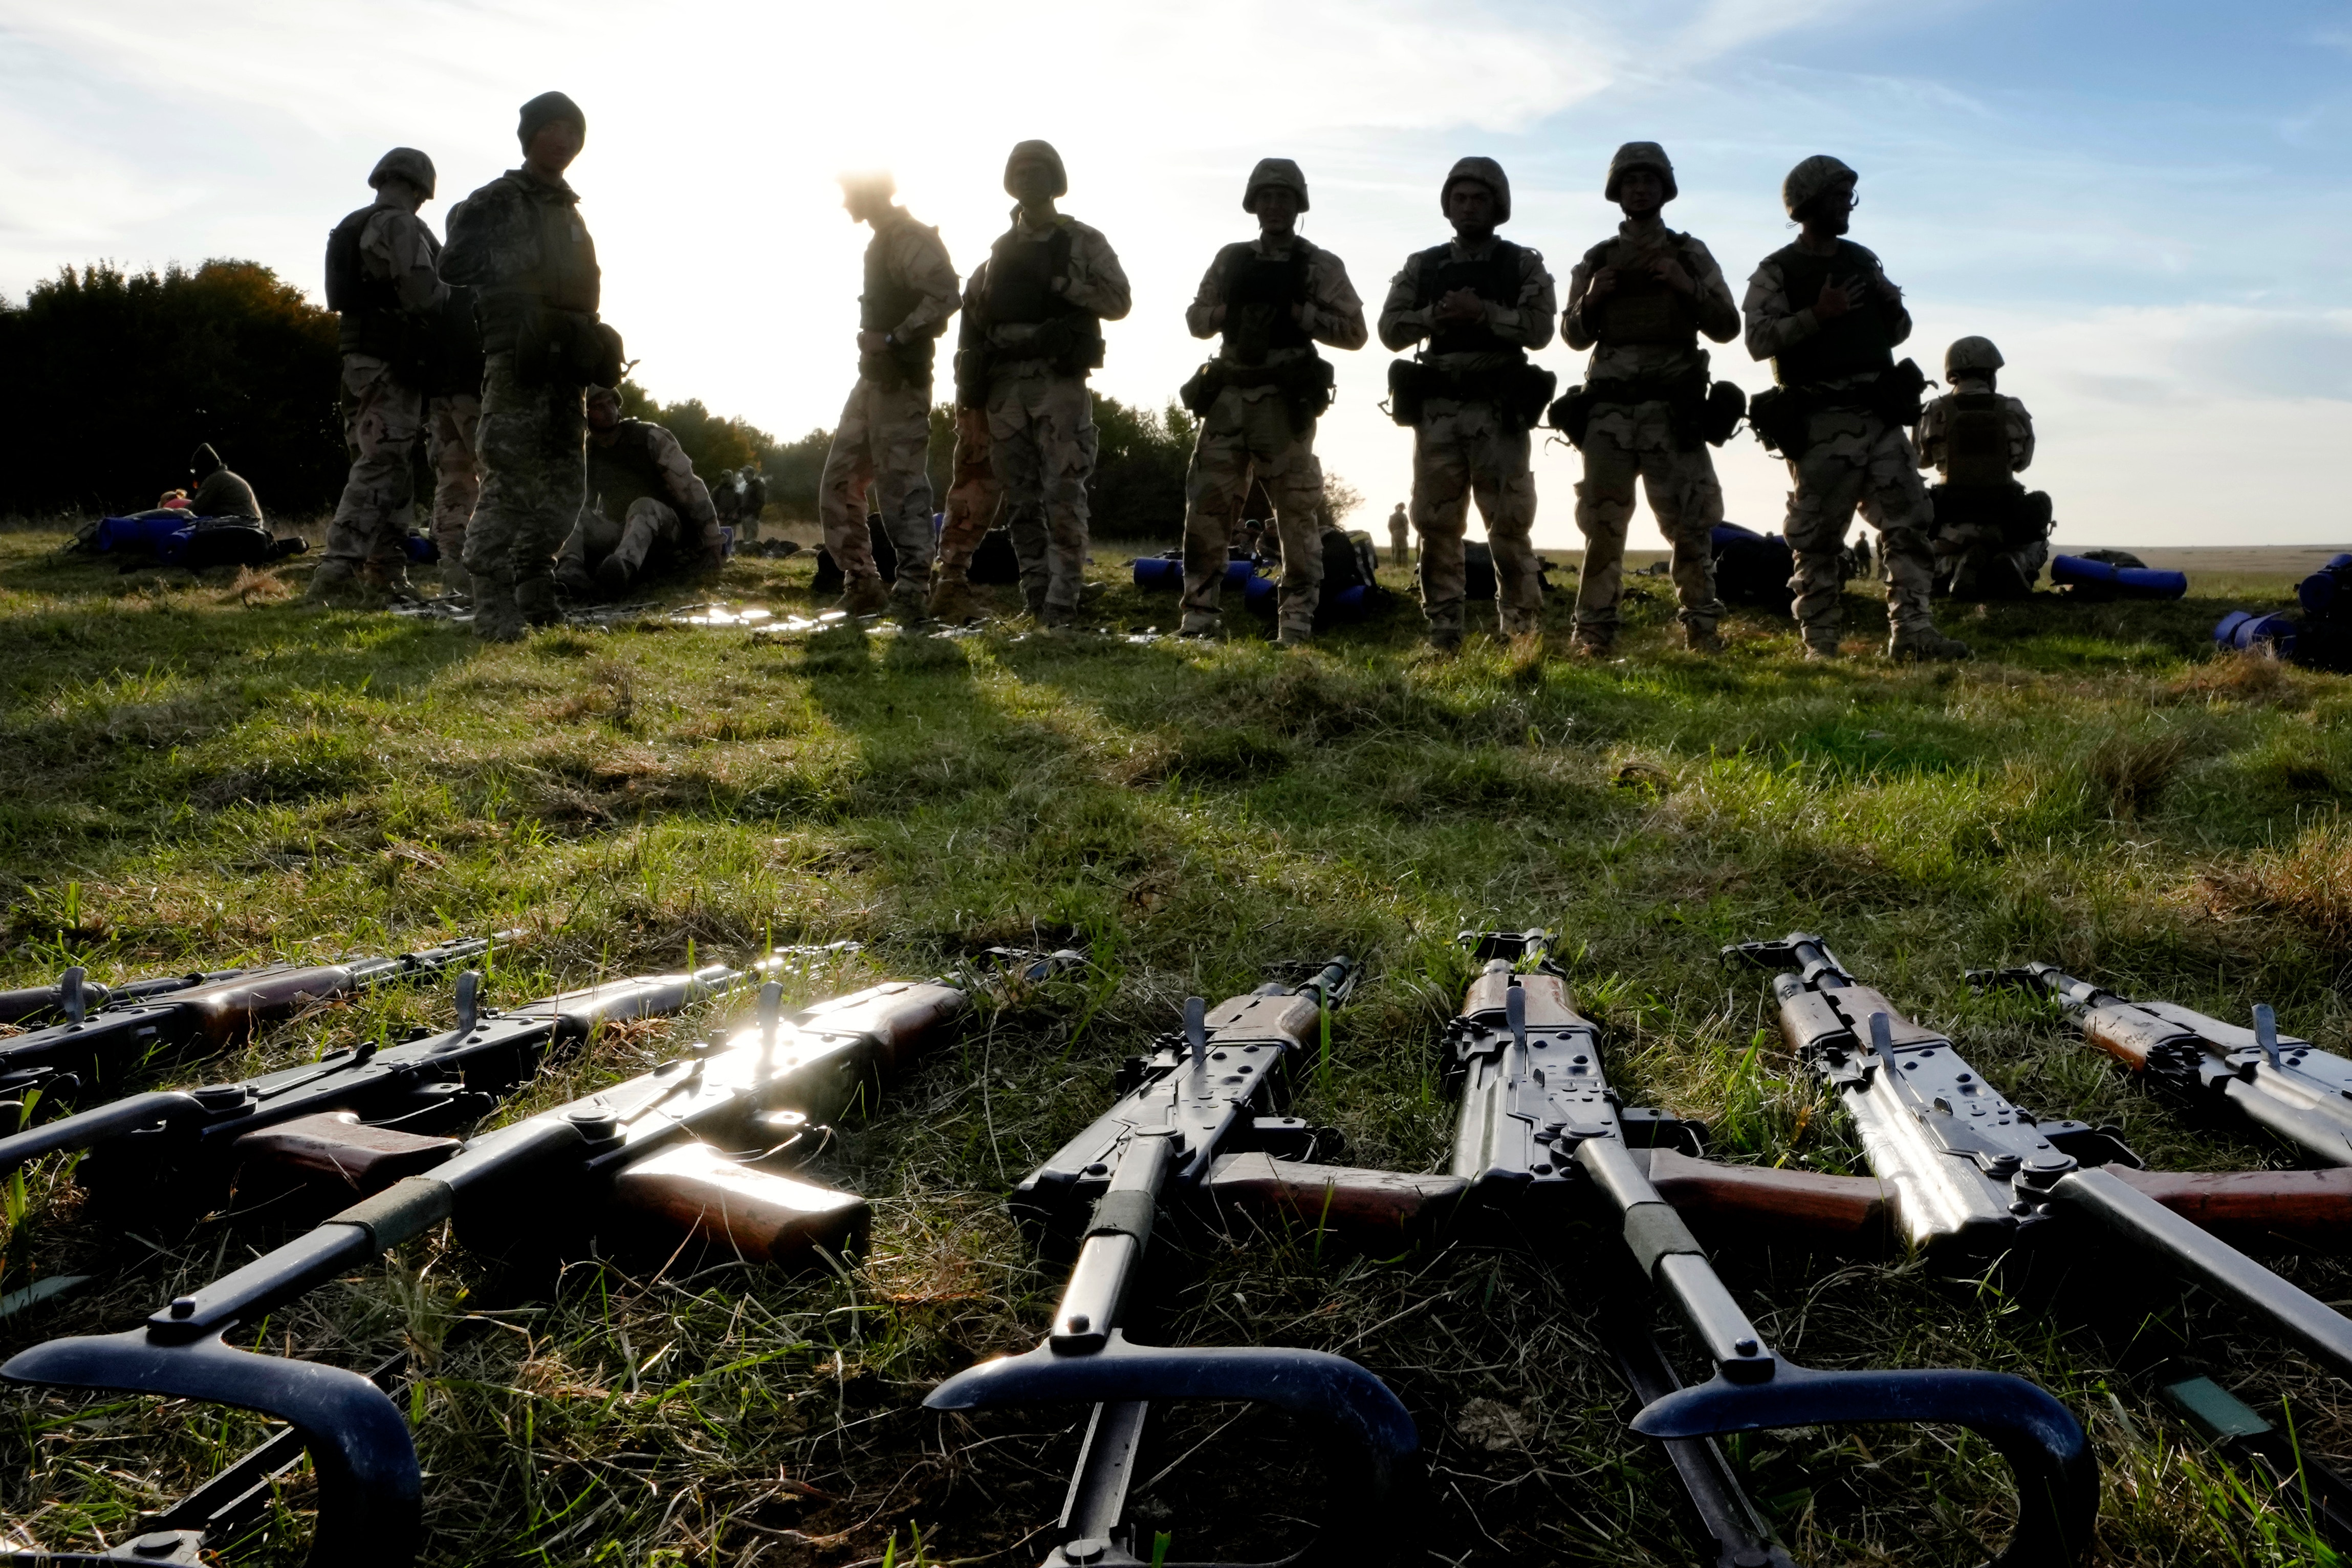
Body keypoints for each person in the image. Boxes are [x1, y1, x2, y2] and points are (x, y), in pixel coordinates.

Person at [1742, 156, 1968, 661]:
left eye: (1850, 197)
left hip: (1880, 415)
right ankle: (1820, 644)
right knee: (1818, 537)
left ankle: (1913, 632)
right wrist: (1817, 316)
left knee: (1909, 522)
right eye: (1840, 197)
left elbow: (1894, 332)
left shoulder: (1863, 260)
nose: (1848, 206)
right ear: (1809, 204)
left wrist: (1892, 305)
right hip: (1823, 421)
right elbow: (1757, 340)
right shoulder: (1778, 271)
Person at [1172, 158, 1367, 646]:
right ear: (1253, 204)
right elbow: (1196, 319)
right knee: (1207, 509)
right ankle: (1198, 619)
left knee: (1296, 516)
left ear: (1298, 205)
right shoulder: (1231, 259)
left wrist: (1300, 315)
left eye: (1283, 198)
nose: (1274, 206)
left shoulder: (1318, 264)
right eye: (1266, 197)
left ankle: (1296, 623)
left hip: (1283, 402)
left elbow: (1356, 332)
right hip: (1229, 397)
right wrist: (1229, 311)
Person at [441, 90, 613, 642]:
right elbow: (453, 263)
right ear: (530, 136)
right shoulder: (498, 198)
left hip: (567, 365)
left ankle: (537, 595)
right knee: (509, 481)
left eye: (573, 133)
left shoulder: (572, 212)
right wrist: (515, 263)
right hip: (518, 360)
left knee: (567, 487)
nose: (562, 141)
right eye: (552, 129)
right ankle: (491, 604)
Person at [1559, 142, 1740, 656]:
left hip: (1672, 410)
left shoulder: (1689, 253)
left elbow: (1728, 325)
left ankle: (1702, 631)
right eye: (1631, 181)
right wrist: (1592, 299)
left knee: (1691, 525)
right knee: (1603, 527)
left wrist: (1686, 287)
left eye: (1649, 181)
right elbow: (1570, 334)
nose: (1640, 189)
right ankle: (1593, 633)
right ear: (1617, 191)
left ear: (1665, 190)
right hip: (1610, 412)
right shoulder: (1597, 259)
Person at [1377, 156, 1556, 652]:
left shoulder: (1522, 263)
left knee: (1510, 525)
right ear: (1447, 205)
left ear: (1498, 205)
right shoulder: (1425, 266)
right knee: (1436, 525)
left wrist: (1485, 314)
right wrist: (1437, 316)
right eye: (1460, 198)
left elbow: (1540, 329)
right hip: (1438, 411)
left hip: (1498, 412)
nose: (1470, 207)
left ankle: (1520, 634)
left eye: (1480, 198)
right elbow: (1390, 330)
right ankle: (1443, 634)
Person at [955, 140, 1131, 628]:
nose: (1029, 178)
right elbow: (972, 319)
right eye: (1021, 171)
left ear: (1055, 180)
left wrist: (1063, 287)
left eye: (1039, 171)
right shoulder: (996, 254)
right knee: (1021, 498)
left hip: (1057, 381)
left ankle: (1064, 599)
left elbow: (1119, 301)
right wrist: (968, 391)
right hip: (1005, 385)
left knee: (1063, 491)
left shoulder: (1082, 241)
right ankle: (1035, 594)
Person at [818, 171, 961, 621]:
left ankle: (914, 590)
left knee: (900, 488)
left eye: (848, 195)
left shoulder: (909, 238)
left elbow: (945, 295)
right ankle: (862, 584)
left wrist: (897, 339)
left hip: (902, 384)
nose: (845, 205)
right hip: (874, 382)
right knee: (839, 482)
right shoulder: (882, 242)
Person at [311, 146, 446, 604]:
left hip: (359, 359)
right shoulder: (400, 224)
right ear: (420, 188)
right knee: (383, 463)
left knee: (387, 467)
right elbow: (423, 293)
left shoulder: (352, 224)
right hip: (391, 360)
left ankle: (387, 573)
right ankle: (337, 572)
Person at [555, 385, 723, 595]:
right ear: (586, 415)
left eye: (610, 403)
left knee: (642, 505)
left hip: (667, 531)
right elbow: (581, 502)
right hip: (621, 530)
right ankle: (571, 570)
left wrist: (713, 540)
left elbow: (691, 488)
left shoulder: (651, 438)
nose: (608, 410)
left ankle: (622, 571)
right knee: (573, 512)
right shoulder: (587, 452)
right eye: (597, 407)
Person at [1916, 336, 2049, 599]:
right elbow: (2023, 464)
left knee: (1919, 559)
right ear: (1990, 373)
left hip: (1950, 529)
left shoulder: (1933, 410)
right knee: (2037, 543)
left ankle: (1955, 565)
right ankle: (2013, 563)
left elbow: (1921, 461)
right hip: (2005, 525)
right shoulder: (2012, 409)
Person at [425, 261, 488, 600]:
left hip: (439, 395)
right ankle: (492, 570)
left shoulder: (438, 282)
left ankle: (452, 571)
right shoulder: (484, 282)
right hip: (475, 393)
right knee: (495, 478)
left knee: (452, 485)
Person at [187, 444, 262, 520]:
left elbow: (195, 509)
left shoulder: (215, 479)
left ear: (203, 468)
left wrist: (176, 510)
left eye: (194, 471)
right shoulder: (224, 476)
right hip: (250, 522)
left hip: (243, 523)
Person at [1387, 501, 1409, 567]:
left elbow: (1389, 526)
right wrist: (1406, 533)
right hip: (1402, 533)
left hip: (1394, 534)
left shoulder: (1392, 516)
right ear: (1401, 508)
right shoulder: (1403, 516)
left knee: (1397, 551)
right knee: (1404, 550)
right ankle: (1404, 567)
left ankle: (1397, 566)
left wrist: (1392, 533)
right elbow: (1406, 525)